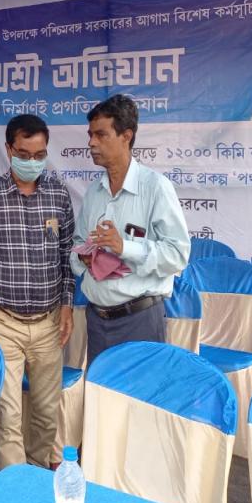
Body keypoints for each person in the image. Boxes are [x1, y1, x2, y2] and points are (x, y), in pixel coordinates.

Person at [0, 113, 75, 470]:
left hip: (47, 324)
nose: (32, 162)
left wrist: (67, 305)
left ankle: (37, 475)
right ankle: (14, 485)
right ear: (9, 150)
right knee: (8, 416)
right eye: (25, 154)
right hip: (2, 323)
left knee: (46, 413)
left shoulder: (58, 195)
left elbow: (67, 257)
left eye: (39, 155)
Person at [71, 94, 190, 364]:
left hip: (140, 321)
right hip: (97, 320)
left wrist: (124, 247)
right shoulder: (94, 192)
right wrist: (83, 257)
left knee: (140, 392)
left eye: (101, 135)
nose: (91, 143)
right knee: (101, 392)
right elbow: (78, 242)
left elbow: (178, 254)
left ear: (126, 136)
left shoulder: (156, 187)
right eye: (90, 135)